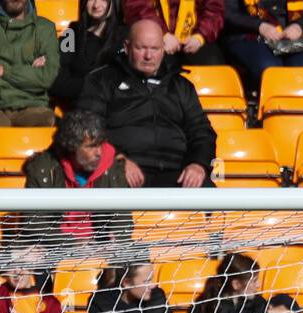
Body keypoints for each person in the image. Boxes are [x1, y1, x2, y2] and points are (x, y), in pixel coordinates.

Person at [78, 20, 216, 188]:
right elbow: (87, 129)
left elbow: (202, 132)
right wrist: (117, 159)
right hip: (121, 173)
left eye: (155, 49)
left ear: (163, 49)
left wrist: (198, 164)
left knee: (207, 190)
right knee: (110, 183)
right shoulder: (102, 81)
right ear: (127, 47)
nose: (148, 56)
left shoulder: (181, 86)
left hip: (175, 173)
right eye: (141, 48)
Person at [22, 109, 132, 245]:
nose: (99, 152)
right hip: (53, 246)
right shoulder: (43, 168)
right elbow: (34, 223)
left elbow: (123, 216)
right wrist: (74, 243)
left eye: (100, 144)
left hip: (101, 245)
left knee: (143, 266)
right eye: (91, 146)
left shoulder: (112, 166)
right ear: (71, 147)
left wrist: (115, 239)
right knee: (20, 262)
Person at [0, 0, 59, 140]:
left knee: (49, 124)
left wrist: (2, 71)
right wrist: (29, 75)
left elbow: (47, 78)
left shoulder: (45, 28)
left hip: (32, 105)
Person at [221, 0, 303, 90]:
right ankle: (273, 109)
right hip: (251, 36)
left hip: (292, 37)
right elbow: (228, 13)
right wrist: (260, 26)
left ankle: (300, 109)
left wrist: (299, 26)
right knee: (269, 67)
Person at [51, 0, 124, 109]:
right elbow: (57, 82)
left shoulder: (126, 36)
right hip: (80, 110)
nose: (96, 5)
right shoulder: (70, 34)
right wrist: (96, 86)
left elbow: (124, 86)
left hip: (116, 111)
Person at [124, 0, 224, 67]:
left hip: (195, 38)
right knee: (151, 62)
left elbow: (214, 10)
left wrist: (200, 36)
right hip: (154, 38)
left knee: (213, 63)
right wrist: (162, 34)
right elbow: (137, 7)